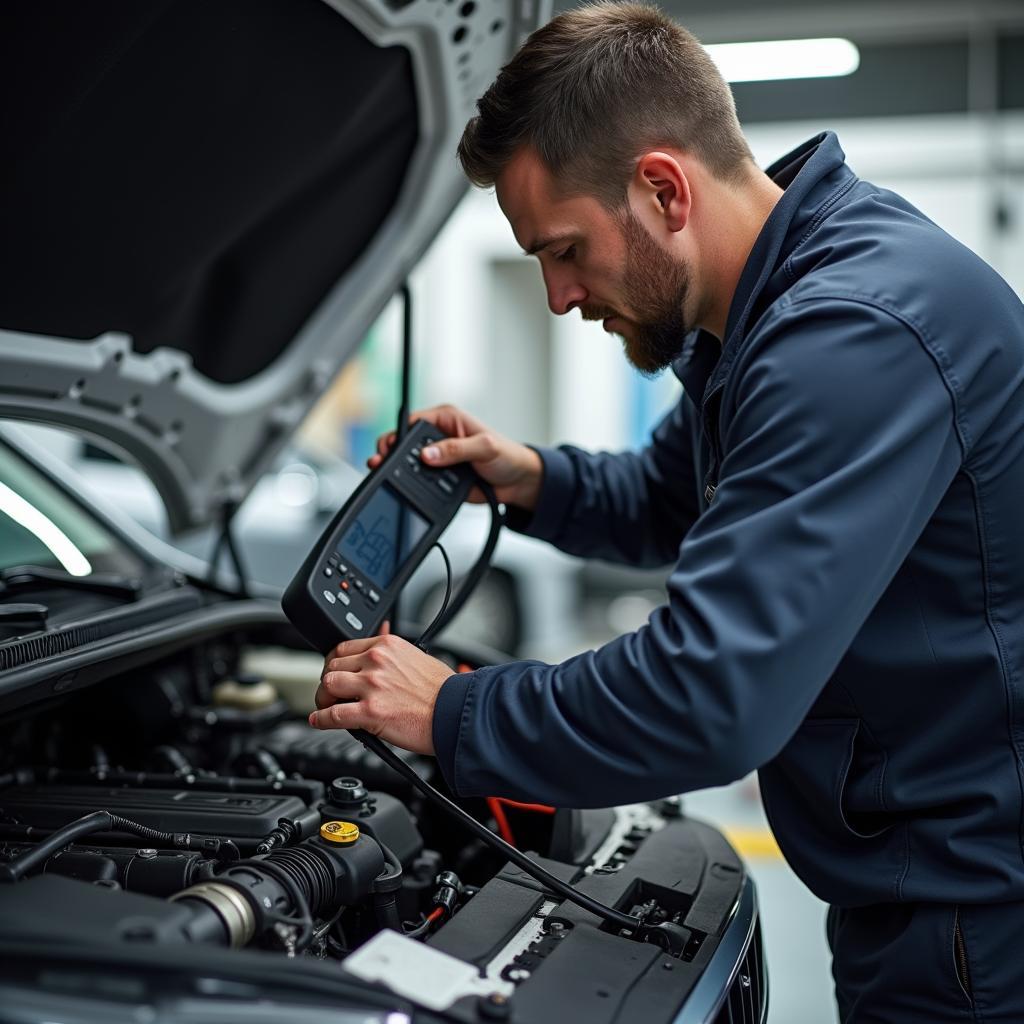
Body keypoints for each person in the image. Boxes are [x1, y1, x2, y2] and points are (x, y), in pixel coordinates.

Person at [308, 3, 1024, 1019]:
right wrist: (527, 476)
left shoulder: (851, 335)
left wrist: (452, 708)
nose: (557, 296)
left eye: (562, 249)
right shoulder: (773, 312)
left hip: (976, 921)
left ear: (661, 189)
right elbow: (670, 500)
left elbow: (709, 693)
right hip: (918, 882)